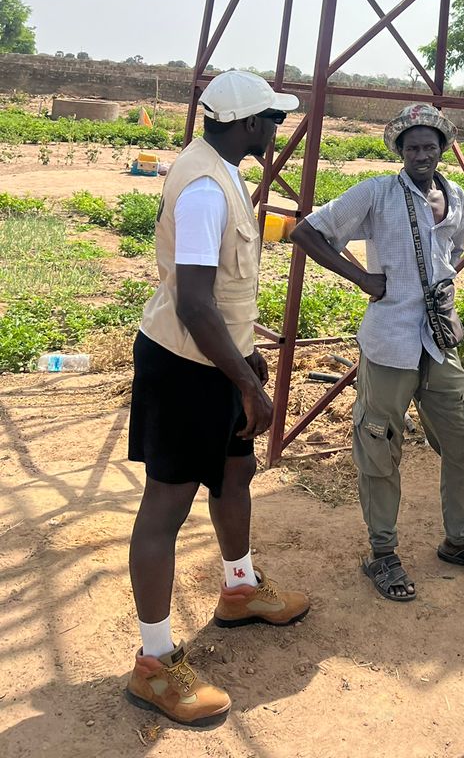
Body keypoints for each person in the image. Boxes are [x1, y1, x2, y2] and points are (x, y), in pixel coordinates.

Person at [126, 70, 310, 728]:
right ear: (248, 124)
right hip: (185, 366)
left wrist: (244, 358)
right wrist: (250, 384)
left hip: (216, 360)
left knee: (236, 472)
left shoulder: (222, 169)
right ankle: (154, 664)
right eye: (273, 119)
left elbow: (219, 300)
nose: (278, 129)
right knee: (166, 506)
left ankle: (240, 588)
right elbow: (195, 304)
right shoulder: (206, 188)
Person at [290, 102, 464, 602]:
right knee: (380, 448)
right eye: (412, 148)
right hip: (389, 343)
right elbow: (307, 231)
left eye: (430, 146)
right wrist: (362, 278)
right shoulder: (377, 193)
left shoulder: (456, 197)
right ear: (400, 151)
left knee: (462, 443)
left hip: (438, 341)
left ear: (443, 149)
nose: (421, 155)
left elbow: (449, 256)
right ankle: (382, 553)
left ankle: (459, 541)